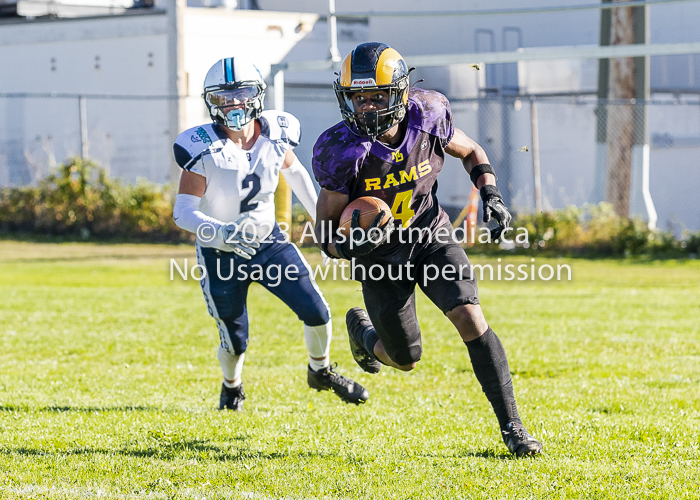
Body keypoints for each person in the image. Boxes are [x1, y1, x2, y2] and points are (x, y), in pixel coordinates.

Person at [312, 42, 543, 456]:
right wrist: (353, 246)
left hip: (428, 235)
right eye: (357, 98)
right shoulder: (342, 149)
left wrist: (490, 193)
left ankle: (513, 429)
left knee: (470, 317)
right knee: (404, 359)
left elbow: (472, 151)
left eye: (376, 97)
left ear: (399, 93)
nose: (365, 108)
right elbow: (326, 235)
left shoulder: (428, 114)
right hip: (379, 259)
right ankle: (364, 334)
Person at [172, 56, 368, 410]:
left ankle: (320, 371)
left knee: (318, 311)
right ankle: (232, 386)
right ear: (210, 101)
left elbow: (297, 177)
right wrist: (221, 232)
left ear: (257, 95)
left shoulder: (276, 132)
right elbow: (183, 212)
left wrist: (325, 228)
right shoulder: (203, 146)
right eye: (223, 97)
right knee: (235, 340)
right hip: (221, 253)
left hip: (268, 243)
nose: (233, 104)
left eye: (241, 94)